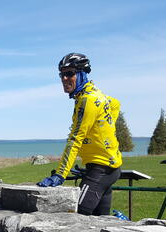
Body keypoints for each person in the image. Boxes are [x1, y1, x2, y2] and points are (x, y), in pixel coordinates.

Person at [37, 53, 123, 216]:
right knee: (101, 222)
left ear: (82, 74)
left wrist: (60, 175)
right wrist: (104, 128)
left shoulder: (87, 100)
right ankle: (121, 225)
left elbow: (75, 139)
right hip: (107, 167)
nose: (64, 78)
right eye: (62, 74)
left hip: (100, 170)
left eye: (70, 73)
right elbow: (115, 104)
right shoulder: (94, 95)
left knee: (75, 215)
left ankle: (126, 227)